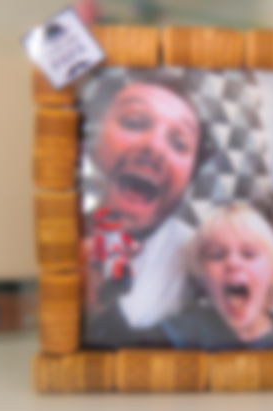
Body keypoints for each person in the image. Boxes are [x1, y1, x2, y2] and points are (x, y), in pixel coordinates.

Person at [83, 81, 202, 347]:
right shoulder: (62, 228)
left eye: (180, 143)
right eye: (135, 122)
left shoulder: (197, 250)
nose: (155, 147)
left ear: (190, 177)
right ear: (95, 142)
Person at [163, 203, 273, 350]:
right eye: (217, 255)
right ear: (202, 279)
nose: (233, 263)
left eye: (249, 254)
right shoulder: (183, 332)